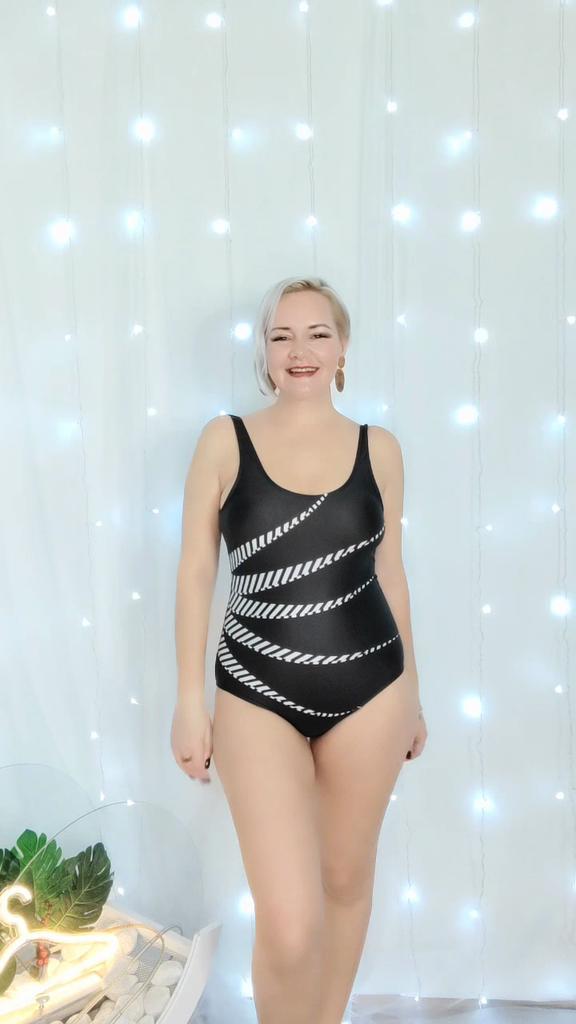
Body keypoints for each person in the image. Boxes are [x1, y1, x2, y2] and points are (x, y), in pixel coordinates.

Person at [171, 276, 428, 1024]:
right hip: (254, 693)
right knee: (289, 921)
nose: (300, 350)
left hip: (373, 692)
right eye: (281, 336)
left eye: (317, 333)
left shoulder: (380, 449)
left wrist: (414, 697)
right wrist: (188, 701)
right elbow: (195, 573)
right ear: (264, 351)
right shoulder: (224, 440)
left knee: (345, 884)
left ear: (343, 347)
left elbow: (391, 575)